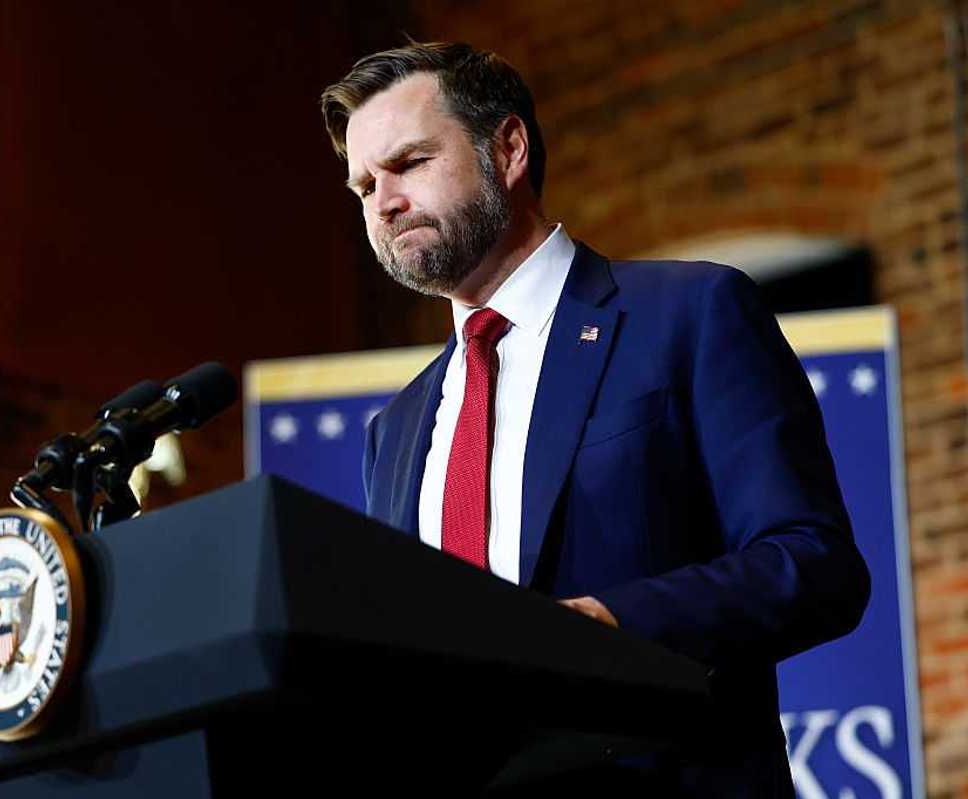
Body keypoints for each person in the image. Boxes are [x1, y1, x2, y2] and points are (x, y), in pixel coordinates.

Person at [320, 41, 870, 796]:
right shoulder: (397, 429)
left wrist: (605, 625)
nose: (383, 201)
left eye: (409, 163)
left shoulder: (686, 315)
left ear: (508, 149)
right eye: (362, 185)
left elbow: (814, 565)